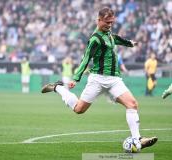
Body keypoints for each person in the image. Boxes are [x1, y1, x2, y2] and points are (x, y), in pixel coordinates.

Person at [41, 7, 157, 149]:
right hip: (98, 79)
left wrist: (129, 43)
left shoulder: (108, 33)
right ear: (99, 20)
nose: (109, 25)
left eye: (112, 22)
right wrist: (76, 78)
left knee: (132, 104)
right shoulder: (95, 39)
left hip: (114, 80)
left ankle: (137, 139)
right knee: (78, 109)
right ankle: (57, 87)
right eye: (107, 22)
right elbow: (86, 58)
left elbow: (115, 39)